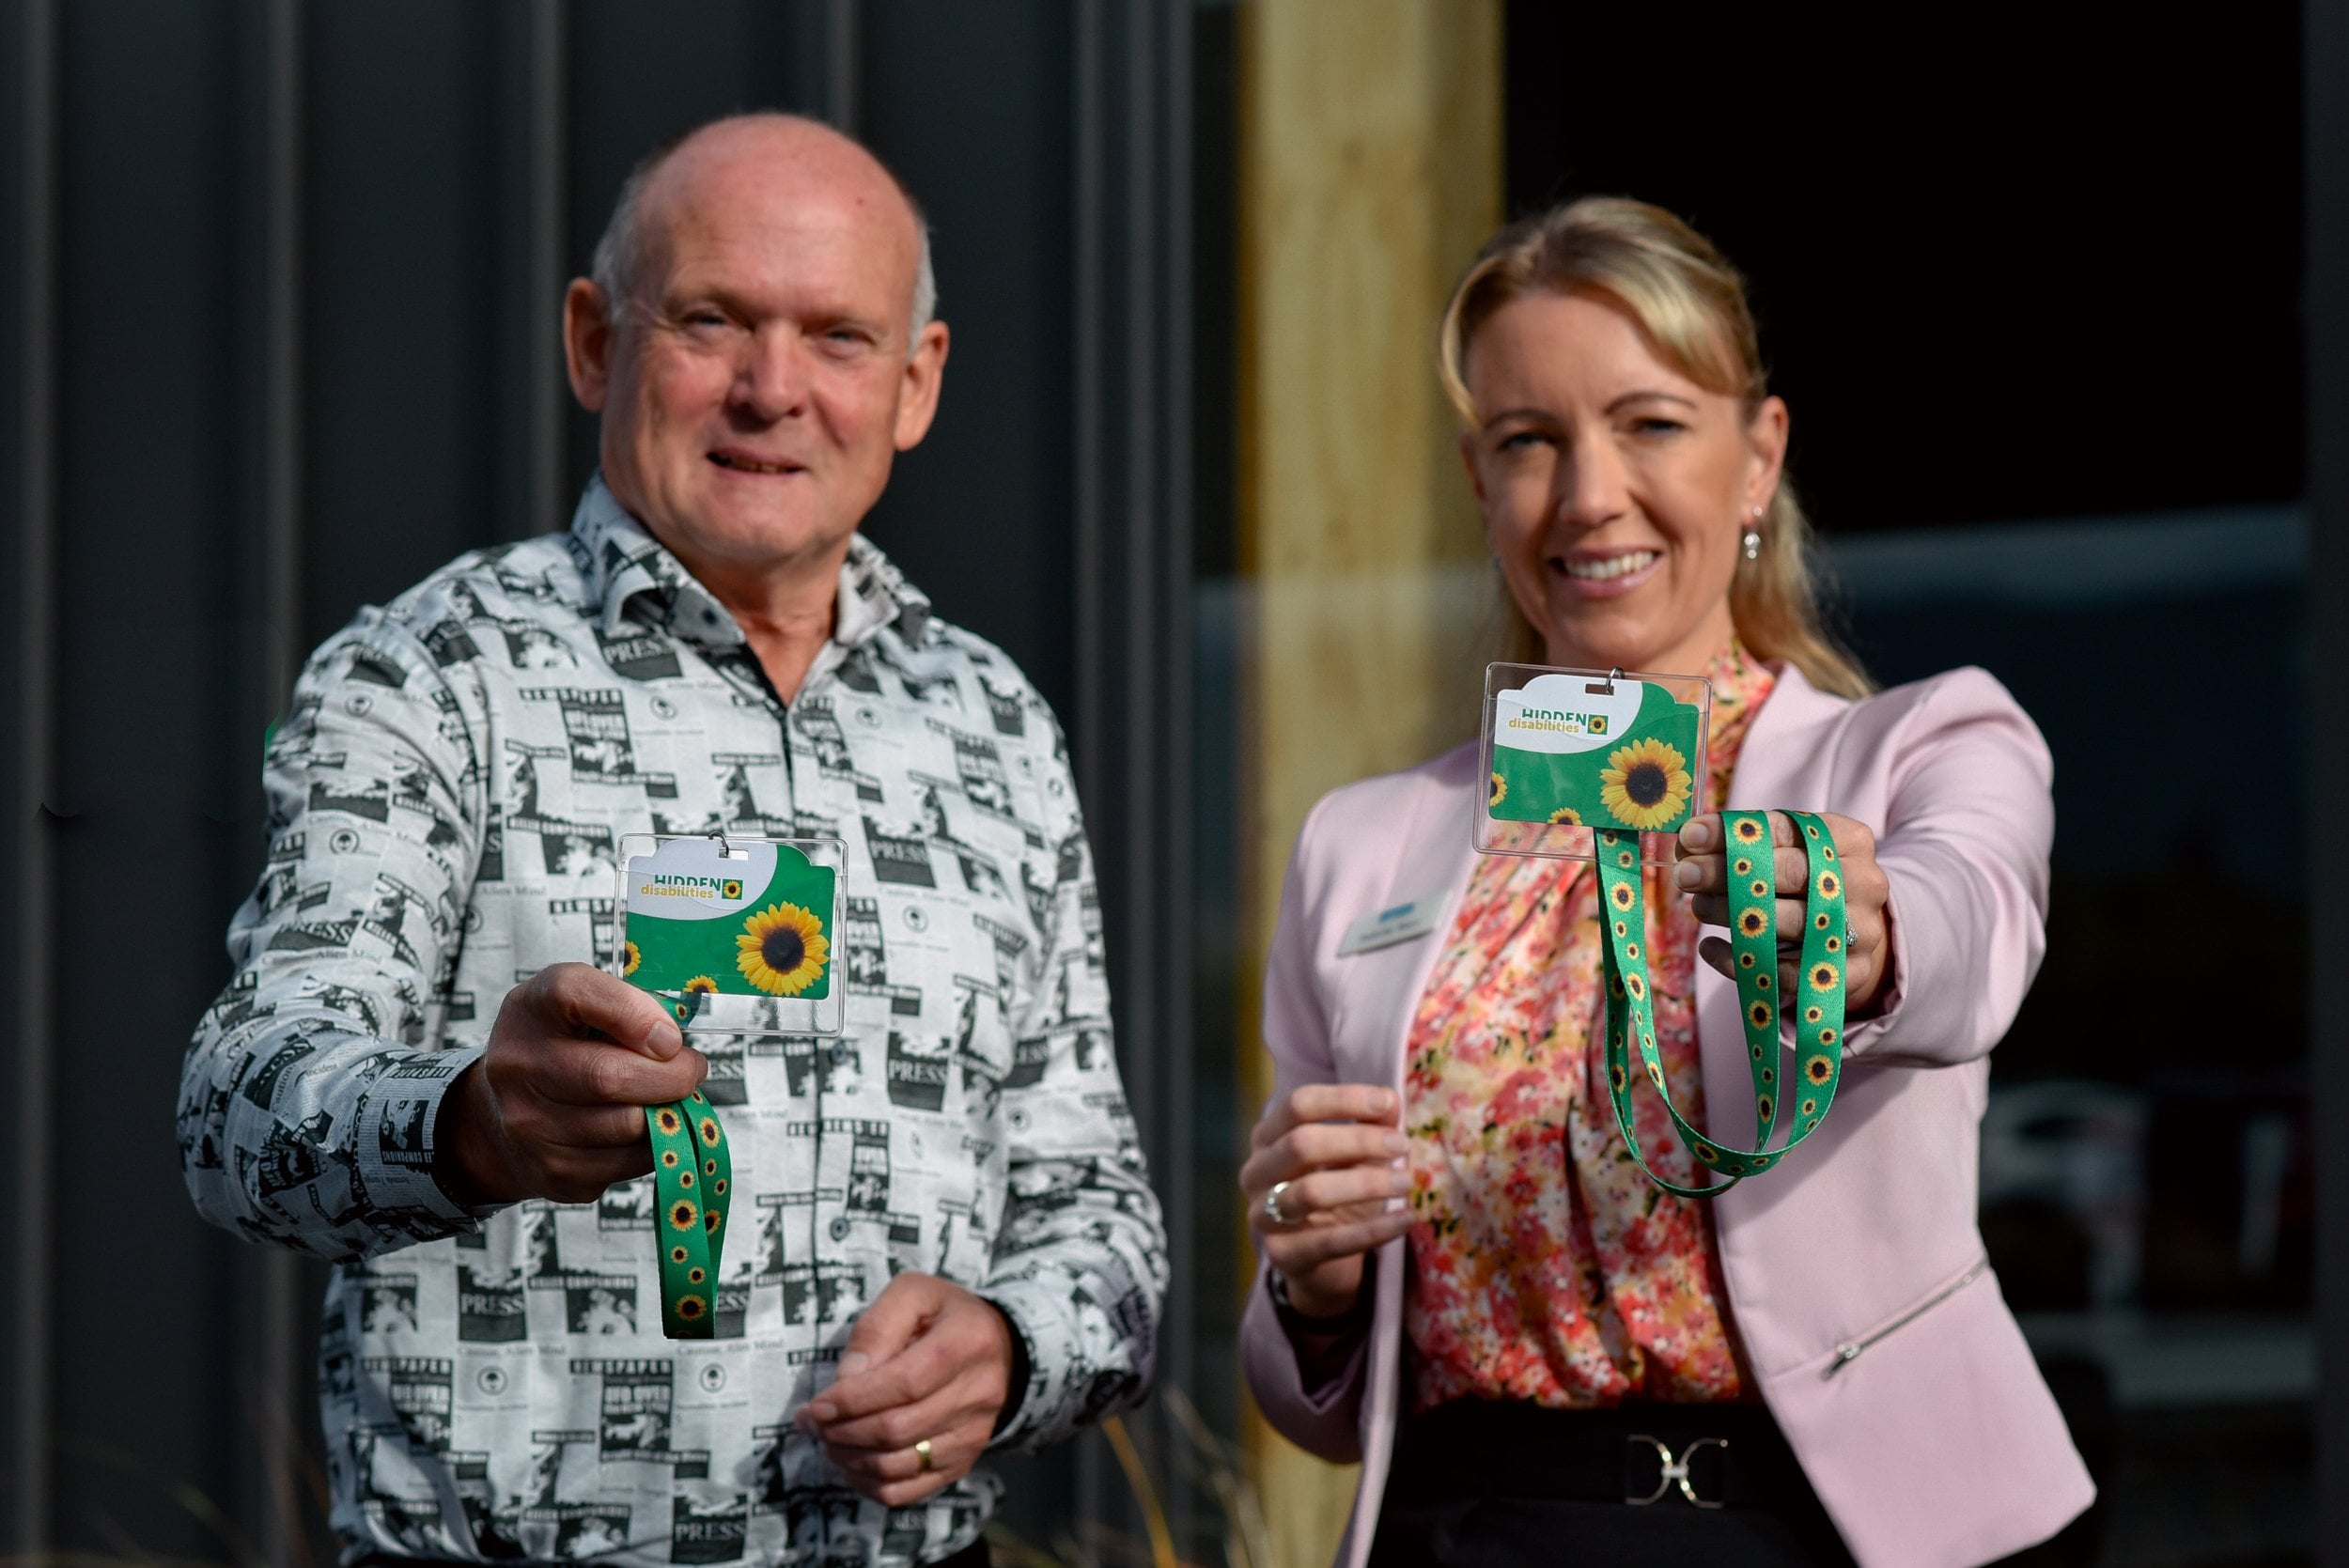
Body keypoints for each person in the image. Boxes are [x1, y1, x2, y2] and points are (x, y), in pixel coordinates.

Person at [179, 114, 1167, 1568]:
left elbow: (1104, 1220)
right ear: (596, 342)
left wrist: (1014, 1352)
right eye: (712, 321)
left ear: (916, 383)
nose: (774, 390)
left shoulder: (994, 725)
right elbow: (236, 1118)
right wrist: (469, 1121)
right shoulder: (429, 676)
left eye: (838, 336)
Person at [1237, 198, 2094, 1567]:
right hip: (1464, 1528)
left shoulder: (1915, 745)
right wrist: (1314, 1282)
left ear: (1759, 459)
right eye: (1530, 442)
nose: (1588, 496)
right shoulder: (1366, 841)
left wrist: (1874, 939)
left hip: (1813, 1525)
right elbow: (1313, 1395)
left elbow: (1973, 928)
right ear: (1481, 484)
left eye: (1648, 424)